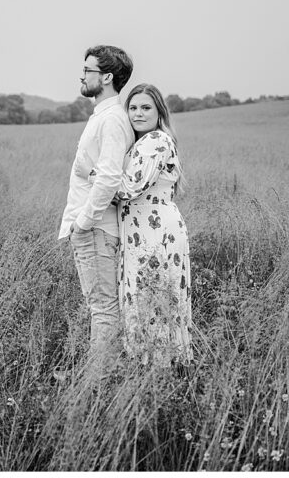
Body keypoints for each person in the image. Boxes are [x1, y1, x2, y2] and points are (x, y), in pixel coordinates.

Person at [58, 45, 135, 380]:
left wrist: (83, 223)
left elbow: (108, 178)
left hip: (96, 229)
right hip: (96, 229)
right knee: (102, 308)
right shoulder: (104, 117)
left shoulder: (113, 119)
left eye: (87, 69)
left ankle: (94, 387)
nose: (81, 74)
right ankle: (102, 378)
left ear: (106, 77)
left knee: (104, 309)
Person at [113, 83, 191, 367]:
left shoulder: (156, 141)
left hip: (155, 230)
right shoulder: (140, 144)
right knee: (146, 297)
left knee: (154, 297)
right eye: (132, 108)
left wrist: (93, 175)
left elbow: (128, 187)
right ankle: (153, 366)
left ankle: (158, 369)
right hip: (141, 228)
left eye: (145, 107)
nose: (137, 113)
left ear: (159, 112)